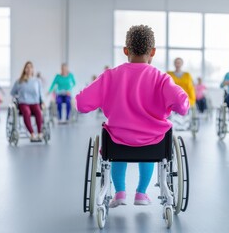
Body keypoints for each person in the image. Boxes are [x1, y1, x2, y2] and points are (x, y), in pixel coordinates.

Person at [76, 25, 189, 208]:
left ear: (126, 50)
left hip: (117, 141)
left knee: (114, 148)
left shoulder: (110, 76)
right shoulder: (161, 78)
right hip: (154, 143)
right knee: (153, 145)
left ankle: (119, 192)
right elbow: (183, 106)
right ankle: (141, 193)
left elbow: (81, 104)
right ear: (152, 51)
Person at [11, 61, 44, 142]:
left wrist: (42, 101)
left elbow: (40, 93)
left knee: (38, 112)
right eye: (27, 67)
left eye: (31, 67)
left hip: (35, 102)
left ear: (33, 69)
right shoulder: (19, 81)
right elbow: (12, 93)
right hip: (24, 103)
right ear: (24, 69)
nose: (29, 69)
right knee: (27, 112)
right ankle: (32, 134)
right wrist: (18, 98)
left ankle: (40, 133)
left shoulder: (37, 81)